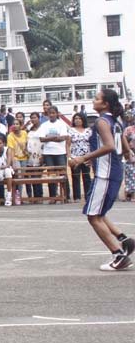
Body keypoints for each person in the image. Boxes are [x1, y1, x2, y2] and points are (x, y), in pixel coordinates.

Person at [70, 89, 134, 271]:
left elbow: (109, 146)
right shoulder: (115, 121)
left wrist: (83, 157)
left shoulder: (101, 121)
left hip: (105, 175)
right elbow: (121, 142)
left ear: (105, 104)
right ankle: (124, 240)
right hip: (113, 171)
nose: (94, 100)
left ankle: (118, 255)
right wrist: (128, 153)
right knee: (99, 212)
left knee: (93, 216)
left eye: (97, 98)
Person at [36, 106, 70, 202]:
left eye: (53, 113)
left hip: (60, 152)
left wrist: (49, 137)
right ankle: (53, 196)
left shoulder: (61, 124)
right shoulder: (44, 125)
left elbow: (63, 137)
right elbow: (42, 138)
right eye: (50, 113)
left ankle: (66, 196)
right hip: (48, 153)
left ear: (57, 113)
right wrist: (55, 137)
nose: (52, 115)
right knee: (51, 175)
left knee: (63, 174)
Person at [67, 113, 92, 201]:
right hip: (75, 157)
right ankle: (77, 197)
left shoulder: (88, 130)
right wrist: (69, 157)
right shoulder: (71, 130)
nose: (77, 120)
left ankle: (88, 196)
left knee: (87, 177)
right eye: (76, 118)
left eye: (79, 118)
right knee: (75, 176)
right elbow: (68, 144)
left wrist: (91, 157)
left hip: (86, 157)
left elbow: (91, 143)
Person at [7, 118, 29, 203]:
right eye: (14, 124)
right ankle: (17, 195)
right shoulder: (10, 136)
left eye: (17, 124)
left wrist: (27, 153)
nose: (15, 126)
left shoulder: (24, 133)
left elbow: (26, 145)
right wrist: (12, 161)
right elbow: (10, 149)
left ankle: (18, 194)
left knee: (22, 178)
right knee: (18, 176)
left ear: (20, 125)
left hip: (24, 157)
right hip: (15, 157)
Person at [0, 136, 14, 207]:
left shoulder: (8, 150)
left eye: (0, 143)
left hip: (5, 170)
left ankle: (9, 196)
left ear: (4, 144)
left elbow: (8, 164)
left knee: (7, 171)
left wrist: (0, 167)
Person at [26, 112, 44, 201]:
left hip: (39, 153)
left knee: (38, 175)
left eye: (35, 117)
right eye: (32, 118)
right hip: (30, 155)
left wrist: (42, 155)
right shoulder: (29, 129)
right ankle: (33, 197)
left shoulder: (43, 128)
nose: (33, 119)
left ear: (38, 118)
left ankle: (39, 195)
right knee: (32, 175)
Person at [124, 112, 135, 202]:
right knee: (130, 174)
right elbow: (124, 141)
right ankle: (130, 194)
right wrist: (128, 152)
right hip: (131, 152)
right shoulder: (128, 129)